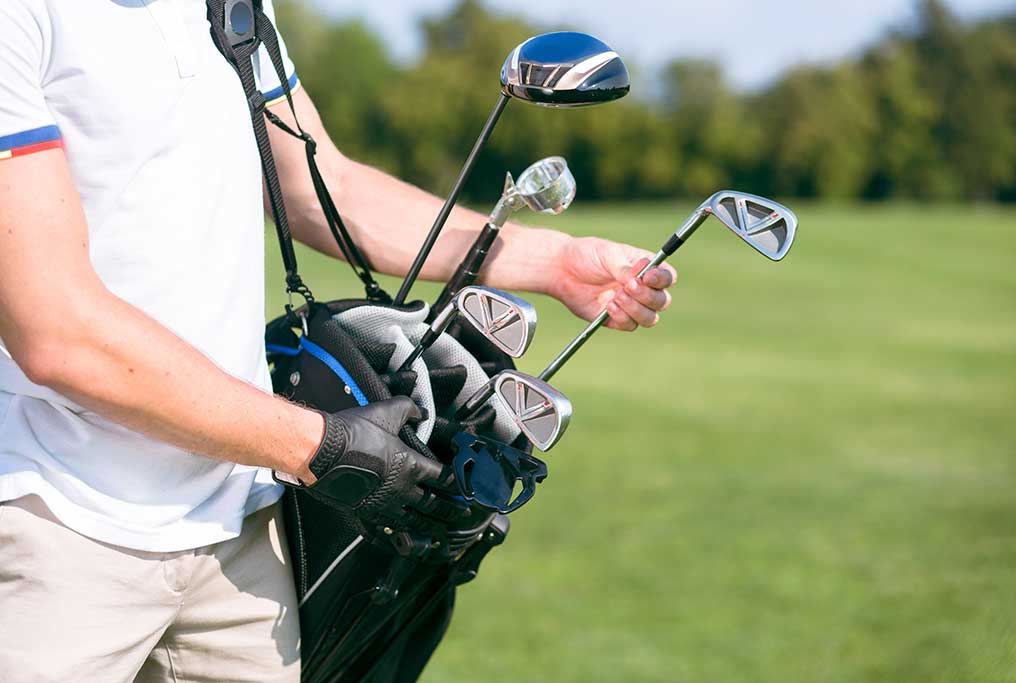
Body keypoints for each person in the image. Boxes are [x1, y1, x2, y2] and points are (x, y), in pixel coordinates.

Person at [0, 1, 677, 681]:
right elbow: (55, 327)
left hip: (241, 531)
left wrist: (549, 262)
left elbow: (326, 188)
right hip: (54, 524)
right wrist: (323, 445)